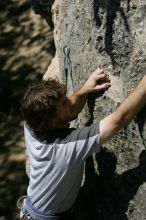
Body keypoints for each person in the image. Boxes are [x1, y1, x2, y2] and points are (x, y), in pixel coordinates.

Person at [18, 68, 146, 220]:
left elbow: (67, 113)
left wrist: (85, 90)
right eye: (64, 102)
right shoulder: (65, 148)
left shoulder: (32, 125)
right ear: (50, 121)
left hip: (32, 211)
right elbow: (119, 119)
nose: (70, 101)